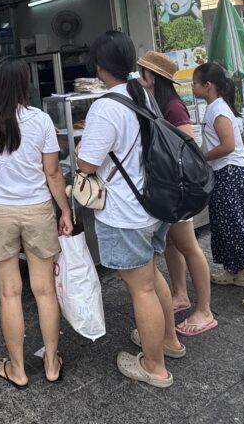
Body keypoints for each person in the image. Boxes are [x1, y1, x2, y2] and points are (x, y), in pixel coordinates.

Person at [76, 32, 186, 389]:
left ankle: (154, 366)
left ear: (98, 67)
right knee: (151, 277)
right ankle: (169, 341)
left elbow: (87, 164)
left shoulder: (105, 106)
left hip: (126, 212)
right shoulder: (142, 94)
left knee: (141, 289)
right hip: (152, 204)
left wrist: (80, 151)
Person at [0, 57, 73, 388]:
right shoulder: (41, 120)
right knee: (44, 290)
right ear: (25, 84)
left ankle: (18, 370)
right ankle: (51, 364)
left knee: (9, 293)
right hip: (38, 209)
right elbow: (54, 173)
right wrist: (65, 210)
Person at [136, 51, 216, 337]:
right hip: (166, 189)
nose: (139, 77)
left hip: (177, 190)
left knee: (189, 246)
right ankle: (180, 294)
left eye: (142, 72)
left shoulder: (173, 107)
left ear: (151, 76)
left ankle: (204, 309)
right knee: (171, 243)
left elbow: (187, 148)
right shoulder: (156, 102)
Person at [192, 62, 244, 310]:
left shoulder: (217, 110)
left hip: (230, 175)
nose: (192, 88)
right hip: (227, 174)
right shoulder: (217, 107)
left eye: (195, 83)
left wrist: (201, 157)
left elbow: (227, 145)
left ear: (208, 85)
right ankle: (235, 272)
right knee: (224, 227)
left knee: (239, 227)